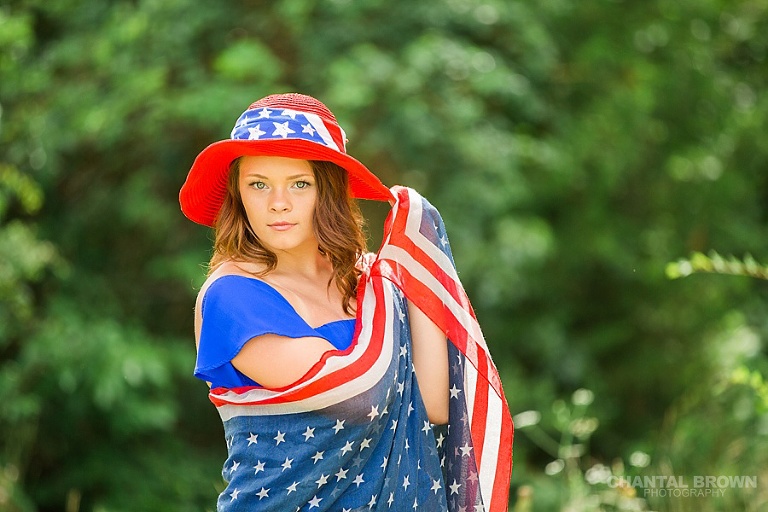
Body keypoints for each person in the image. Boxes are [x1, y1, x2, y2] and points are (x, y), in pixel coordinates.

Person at [179, 93, 513, 511]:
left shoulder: (374, 283)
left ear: (329, 190)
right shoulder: (231, 296)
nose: (277, 202)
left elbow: (434, 402)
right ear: (238, 194)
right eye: (258, 184)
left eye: (300, 183)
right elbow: (356, 391)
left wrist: (419, 257)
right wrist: (396, 283)